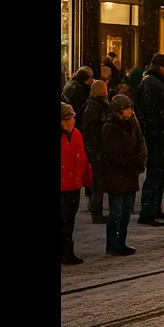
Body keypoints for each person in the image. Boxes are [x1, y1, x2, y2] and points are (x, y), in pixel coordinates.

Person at [98, 94, 145, 256]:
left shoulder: (132, 124)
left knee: (126, 211)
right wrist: (132, 162)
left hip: (130, 174)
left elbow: (140, 143)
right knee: (116, 212)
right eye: (127, 108)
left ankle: (121, 242)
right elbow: (113, 153)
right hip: (116, 175)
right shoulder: (110, 127)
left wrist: (139, 161)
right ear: (119, 110)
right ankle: (113, 244)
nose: (130, 111)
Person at [136, 54, 164, 226]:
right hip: (154, 135)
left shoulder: (155, 82)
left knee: (159, 174)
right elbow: (151, 110)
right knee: (155, 173)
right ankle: (148, 211)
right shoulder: (152, 83)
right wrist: (159, 126)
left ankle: (154, 208)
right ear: (161, 68)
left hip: (158, 134)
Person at [61, 103, 92, 265]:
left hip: (74, 184)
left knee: (70, 219)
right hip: (62, 186)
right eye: (67, 119)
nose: (71, 121)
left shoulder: (77, 135)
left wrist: (87, 181)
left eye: (72, 118)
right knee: (63, 219)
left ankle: (67, 251)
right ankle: (65, 251)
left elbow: (83, 160)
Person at [82, 79, 111, 224]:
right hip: (96, 149)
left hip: (98, 149)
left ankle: (97, 209)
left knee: (99, 181)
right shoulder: (94, 108)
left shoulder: (99, 105)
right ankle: (96, 211)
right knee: (98, 182)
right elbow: (93, 131)